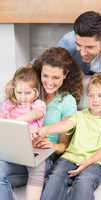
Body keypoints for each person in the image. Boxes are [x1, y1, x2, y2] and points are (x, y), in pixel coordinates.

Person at [0, 47, 83, 200]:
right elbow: (17, 82)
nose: (49, 82)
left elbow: (64, 146)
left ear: (65, 75)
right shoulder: (29, 90)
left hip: (43, 157)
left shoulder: (67, 101)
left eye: (56, 77)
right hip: (18, 152)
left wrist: (53, 146)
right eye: (45, 75)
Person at [32, 73, 101, 200]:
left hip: (95, 162)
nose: (95, 100)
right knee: (56, 176)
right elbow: (64, 125)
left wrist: (86, 163)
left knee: (84, 181)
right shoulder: (79, 115)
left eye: (100, 95)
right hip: (70, 158)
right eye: (91, 96)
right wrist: (44, 130)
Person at [0, 67, 46, 200]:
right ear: (14, 90)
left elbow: (35, 114)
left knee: (38, 167)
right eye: (19, 92)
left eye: (27, 93)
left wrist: (16, 122)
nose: (23, 97)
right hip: (11, 148)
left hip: (32, 149)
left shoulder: (38, 105)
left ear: (35, 92)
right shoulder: (9, 105)